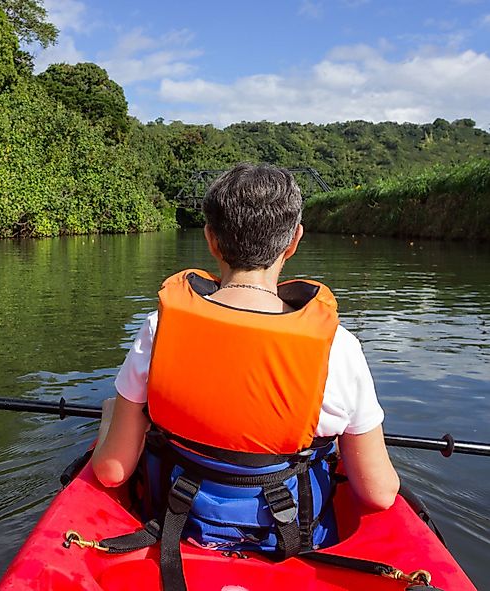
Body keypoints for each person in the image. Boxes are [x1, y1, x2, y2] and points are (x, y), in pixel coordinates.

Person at [90, 163, 399, 573]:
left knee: (117, 409)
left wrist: (112, 417)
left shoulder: (158, 328)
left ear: (210, 239)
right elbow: (378, 494)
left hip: (176, 531)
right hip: (293, 541)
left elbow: (112, 473)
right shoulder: (338, 348)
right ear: (293, 241)